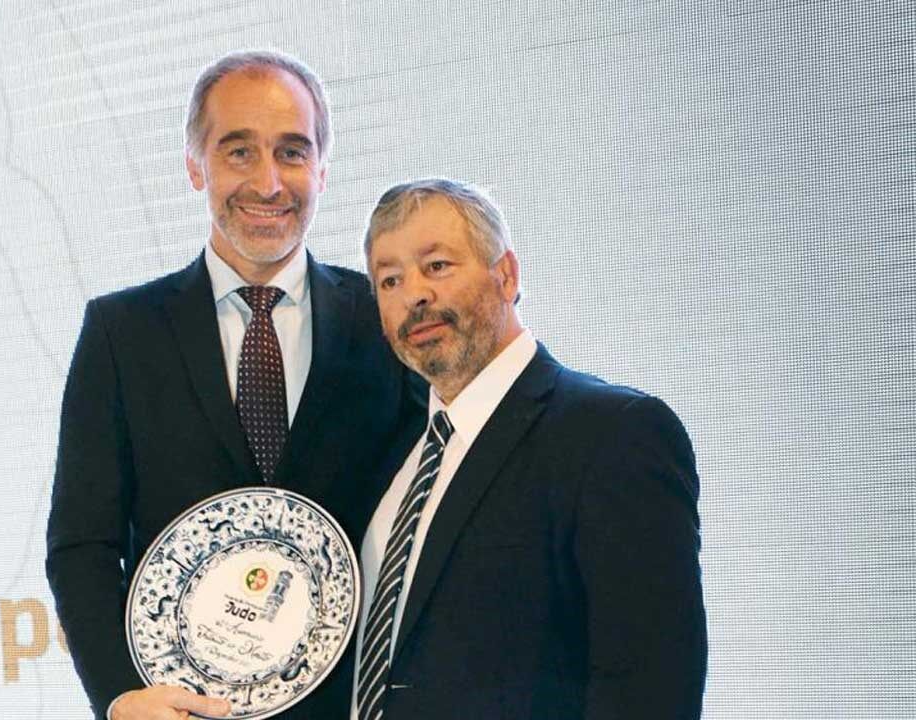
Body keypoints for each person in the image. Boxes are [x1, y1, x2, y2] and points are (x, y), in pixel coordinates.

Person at [45, 50, 417, 720]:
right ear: (196, 166)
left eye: (292, 152)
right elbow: (82, 544)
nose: (268, 183)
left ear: (322, 169)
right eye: (239, 152)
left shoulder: (385, 321)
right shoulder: (120, 333)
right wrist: (121, 697)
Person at [352, 178, 707, 719]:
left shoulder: (614, 434)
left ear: (507, 275)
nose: (414, 295)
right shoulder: (394, 455)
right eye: (389, 280)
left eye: (437, 266)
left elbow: (650, 689)